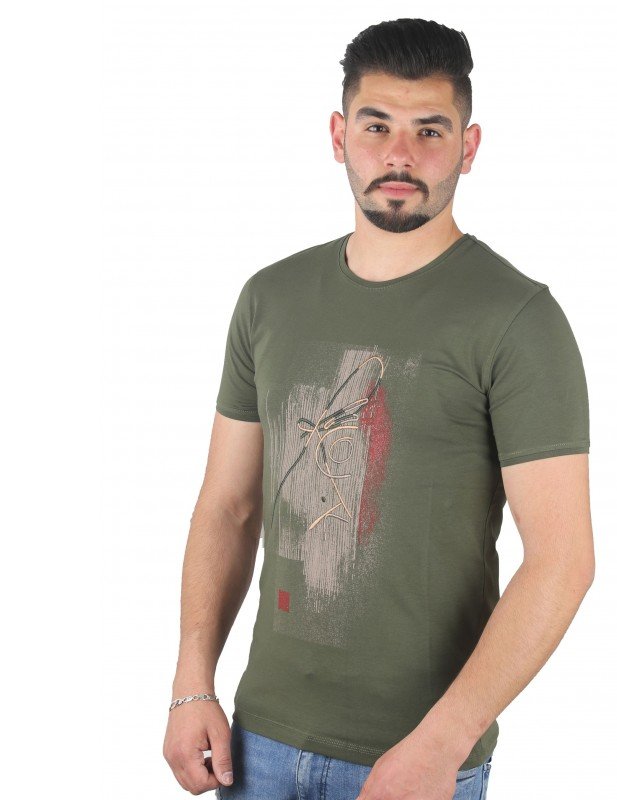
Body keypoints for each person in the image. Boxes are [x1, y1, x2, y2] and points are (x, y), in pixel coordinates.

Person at [163, 17, 595, 800]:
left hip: (418, 757)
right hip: (257, 744)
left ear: (468, 147)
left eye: (430, 130)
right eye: (377, 126)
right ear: (339, 136)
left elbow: (562, 561)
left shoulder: (517, 319)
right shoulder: (269, 299)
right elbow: (228, 506)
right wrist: (192, 684)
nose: (400, 154)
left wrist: (443, 742)